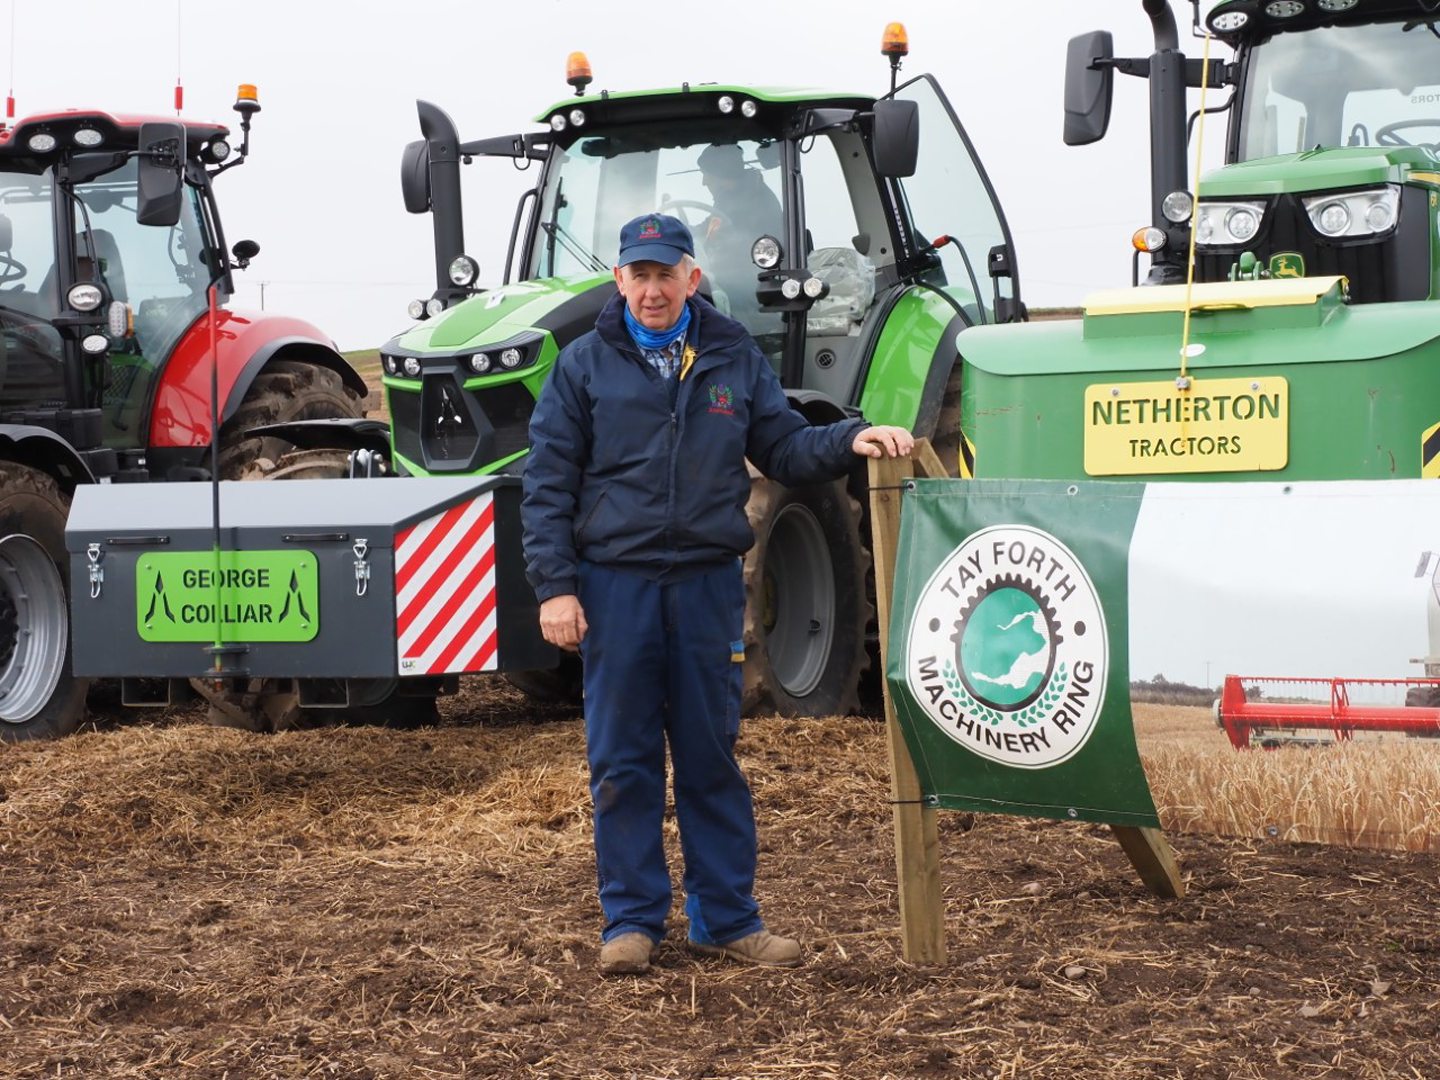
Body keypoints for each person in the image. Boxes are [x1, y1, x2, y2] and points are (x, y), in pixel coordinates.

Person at [521, 212, 914, 977]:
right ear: (619, 280)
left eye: (667, 273)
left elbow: (783, 443)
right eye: (639, 274)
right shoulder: (583, 366)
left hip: (705, 586)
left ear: (691, 278)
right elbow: (547, 484)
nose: (652, 288)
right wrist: (555, 589)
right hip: (617, 587)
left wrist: (849, 438)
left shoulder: (731, 355)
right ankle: (632, 922)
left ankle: (725, 920)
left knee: (711, 756)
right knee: (622, 761)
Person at [695, 143, 783, 326]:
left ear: (721, 174)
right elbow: (704, 229)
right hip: (744, 285)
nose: (703, 182)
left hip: (752, 293)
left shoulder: (748, 202)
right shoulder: (733, 199)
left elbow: (731, 248)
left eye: (706, 174)